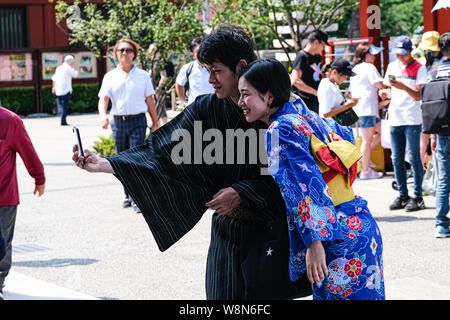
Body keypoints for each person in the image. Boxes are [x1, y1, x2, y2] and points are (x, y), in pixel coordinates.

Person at [73, 25, 310, 300]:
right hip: (226, 231)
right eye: (206, 70)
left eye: (217, 70)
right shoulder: (206, 108)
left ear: (241, 66)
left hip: (269, 231)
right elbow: (162, 151)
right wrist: (105, 164)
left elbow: (298, 181)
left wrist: (242, 192)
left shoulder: (284, 115)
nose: (210, 79)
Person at [237, 59, 385, 300]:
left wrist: (314, 242)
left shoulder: (280, 129)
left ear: (269, 96)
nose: (241, 103)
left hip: (335, 240)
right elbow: (344, 138)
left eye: (246, 95)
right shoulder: (307, 117)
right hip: (360, 226)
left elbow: (303, 186)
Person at [98, 39, 159, 213]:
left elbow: (150, 101)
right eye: (121, 50)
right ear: (116, 54)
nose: (124, 53)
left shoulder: (143, 76)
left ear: (134, 54)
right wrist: (103, 116)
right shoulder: (110, 76)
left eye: (128, 50)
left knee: (136, 160)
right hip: (118, 122)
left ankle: (136, 198)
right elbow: (104, 99)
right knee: (121, 161)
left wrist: (155, 123)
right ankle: (127, 194)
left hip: (138, 121)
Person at [0, 104, 45, 300]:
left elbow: (27, 151)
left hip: (4, 197)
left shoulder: (10, 121)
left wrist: (39, 177)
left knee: (2, 243)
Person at [379, 35, 428, 212]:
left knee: (414, 157)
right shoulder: (392, 66)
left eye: (403, 54)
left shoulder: (420, 68)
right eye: (397, 53)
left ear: (410, 52)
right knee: (396, 158)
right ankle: (403, 195)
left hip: (413, 119)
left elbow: (419, 95)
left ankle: (418, 196)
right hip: (395, 117)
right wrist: (385, 93)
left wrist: (402, 87)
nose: (400, 57)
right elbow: (388, 88)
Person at [350, 43, 386, 180]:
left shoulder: (355, 68)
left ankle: (364, 156)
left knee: (384, 133)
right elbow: (379, 85)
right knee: (367, 139)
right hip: (368, 109)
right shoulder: (369, 67)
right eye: (372, 54)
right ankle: (365, 171)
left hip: (363, 109)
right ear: (366, 55)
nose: (375, 57)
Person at [430, 32, 450, 238]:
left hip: (442, 130)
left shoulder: (435, 71)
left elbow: (431, 106)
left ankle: (441, 224)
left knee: (444, 179)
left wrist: (433, 136)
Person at [291, 30, 330, 114]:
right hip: (304, 102)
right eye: (323, 46)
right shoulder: (302, 56)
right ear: (316, 42)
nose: (323, 49)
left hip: (316, 101)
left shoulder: (317, 57)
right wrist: (315, 92)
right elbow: (295, 81)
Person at [175, 37, 215, 108]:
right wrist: (183, 102)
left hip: (214, 108)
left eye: (204, 50)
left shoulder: (215, 67)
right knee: (197, 120)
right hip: (195, 109)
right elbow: (179, 84)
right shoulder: (188, 68)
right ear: (192, 54)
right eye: (198, 51)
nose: (202, 54)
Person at [148, 43, 175, 125]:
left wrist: (157, 90)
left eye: (150, 49)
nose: (149, 52)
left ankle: (160, 130)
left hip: (159, 90)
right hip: (158, 89)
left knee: (159, 111)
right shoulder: (156, 61)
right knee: (160, 110)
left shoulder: (160, 62)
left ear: (154, 50)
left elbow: (163, 78)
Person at [52, 55, 78, 126]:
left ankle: (62, 120)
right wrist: (73, 67)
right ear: (71, 62)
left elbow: (54, 79)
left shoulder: (59, 68)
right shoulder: (68, 68)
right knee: (64, 106)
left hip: (58, 90)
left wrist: (53, 88)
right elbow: (75, 74)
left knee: (61, 105)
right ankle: (63, 121)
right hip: (65, 90)